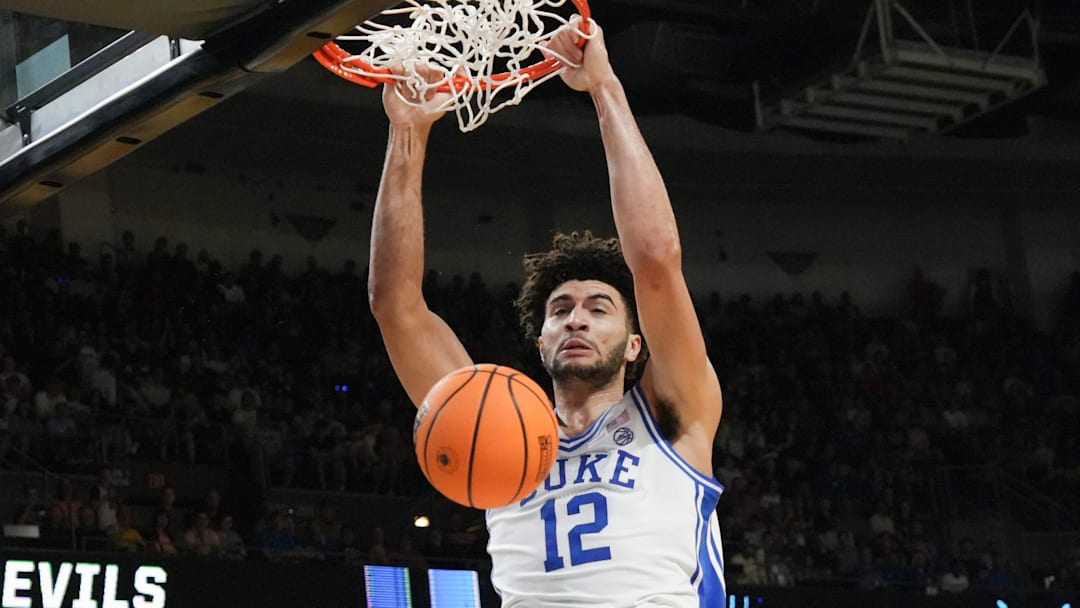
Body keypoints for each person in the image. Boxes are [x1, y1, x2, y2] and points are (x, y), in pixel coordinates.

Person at [367, 15, 725, 607]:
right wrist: (407, 134)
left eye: (599, 308)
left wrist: (604, 87)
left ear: (636, 343)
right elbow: (394, 304)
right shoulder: (494, 422)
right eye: (560, 310)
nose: (576, 319)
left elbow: (657, 259)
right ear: (541, 342)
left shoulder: (673, 413)